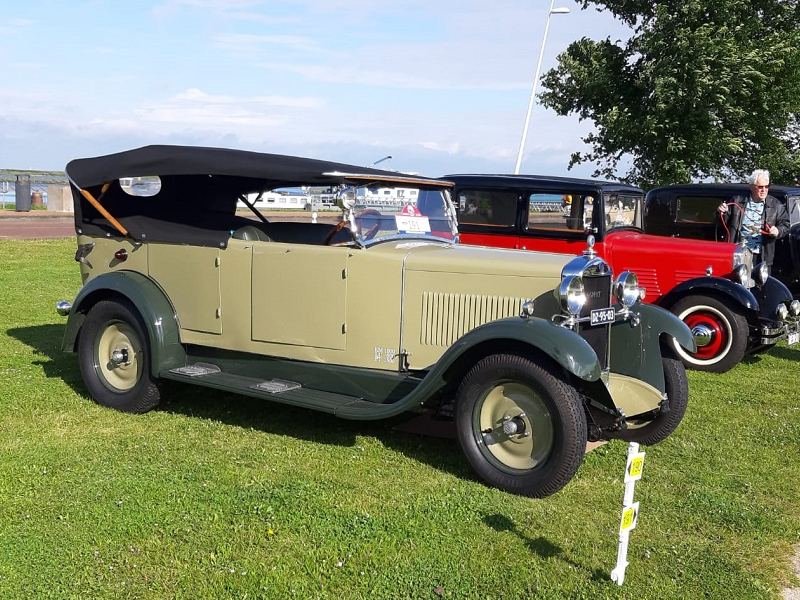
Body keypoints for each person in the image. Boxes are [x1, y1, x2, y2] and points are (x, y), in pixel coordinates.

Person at [717, 168, 789, 269]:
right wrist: (721, 211)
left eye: (767, 186)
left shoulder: (776, 204)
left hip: (762, 256)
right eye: (760, 187)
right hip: (739, 254)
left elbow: (785, 224)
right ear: (751, 187)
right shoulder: (737, 201)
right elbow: (722, 222)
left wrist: (778, 230)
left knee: (760, 284)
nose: (764, 190)